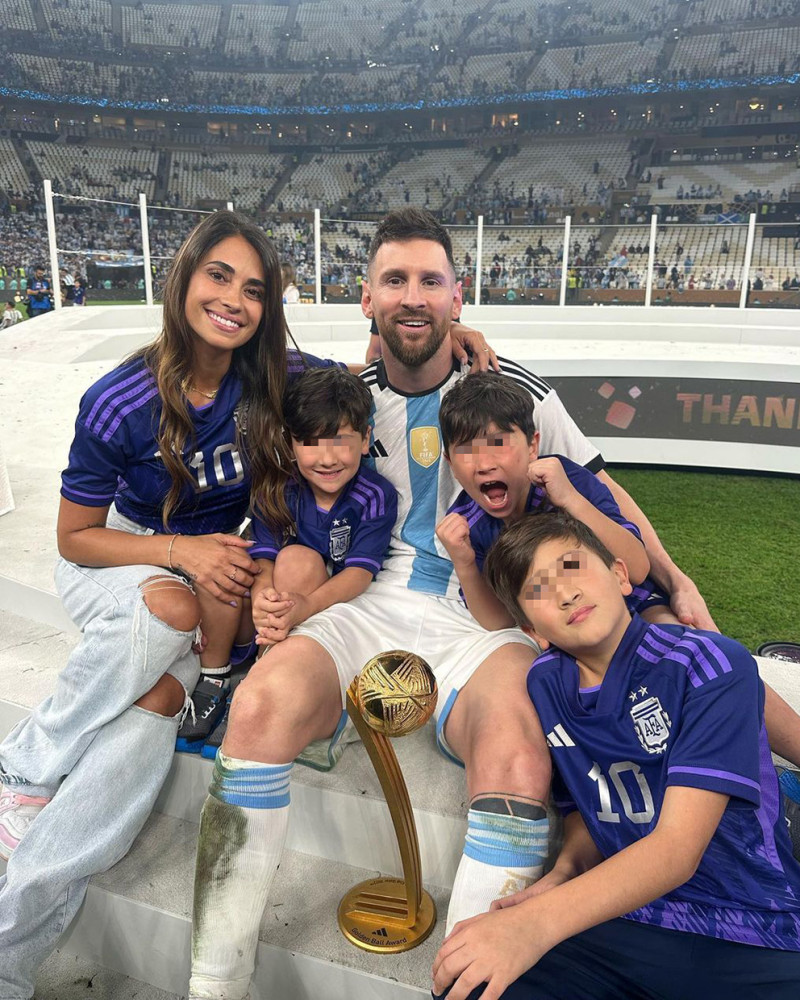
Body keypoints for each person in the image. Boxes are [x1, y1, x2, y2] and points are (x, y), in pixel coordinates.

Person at [187, 208, 716, 1000]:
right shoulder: (341, 397)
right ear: (365, 298)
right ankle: (213, 984)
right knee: (260, 708)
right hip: (369, 592)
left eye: (430, 281)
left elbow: (608, 494)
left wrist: (676, 581)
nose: (413, 297)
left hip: (488, 616)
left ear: (457, 298)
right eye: (394, 280)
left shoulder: (512, 393)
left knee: (517, 760)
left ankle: (465, 984)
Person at [0, 210, 344, 1000]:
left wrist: (456, 344)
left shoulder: (274, 376)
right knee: (171, 614)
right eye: (218, 275)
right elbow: (73, 538)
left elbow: (362, 393)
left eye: (254, 289)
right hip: (122, 559)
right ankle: (23, 763)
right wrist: (177, 552)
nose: (234, 299)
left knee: (156, 703)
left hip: (205, 576)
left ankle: (10, 957)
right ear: (183, 277)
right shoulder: (119, 398)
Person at [432, 512, 800, 1000]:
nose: (564, 593)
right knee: (471, 982)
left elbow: (674, 853)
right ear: (530, 628)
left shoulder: (709, 661)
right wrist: (564, 872)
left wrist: (533, 925)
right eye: (537, 589)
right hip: (630, 916)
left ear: (620, 575)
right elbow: (591, 807)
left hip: (752, 923)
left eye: (572, 566)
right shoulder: (545, 685)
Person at [434, 372, 671, 631]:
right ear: (450, 464)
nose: (485, 464)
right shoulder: (468, 525)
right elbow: (499, 622)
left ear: (532, 446)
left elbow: (637, 568)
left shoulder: (569, 480)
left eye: (499, 444)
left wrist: (571, 500)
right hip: (562, 635)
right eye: (466, 451)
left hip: (632, 604)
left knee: (679, 639)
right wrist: (465, 564)